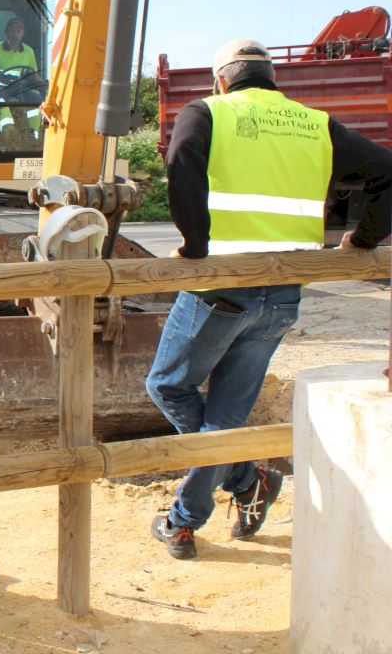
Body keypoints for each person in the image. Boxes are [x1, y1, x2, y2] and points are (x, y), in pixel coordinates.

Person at [147, 38, 392, 560]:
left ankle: (240, 478)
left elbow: (182, 159)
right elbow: (387, 171)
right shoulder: (314, 124)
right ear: (272, 79)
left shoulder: (207, 112)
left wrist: (193, 245)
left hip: (220, 287)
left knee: (167, 385)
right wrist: (365, 239)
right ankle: (195, 513)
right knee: (225, 417)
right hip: (283, 292)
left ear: (221, 80)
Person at [0, 17, 40, 141]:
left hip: (19, 89)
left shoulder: (29, 51)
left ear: (23, 33)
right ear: (6, 33)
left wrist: (46, 86)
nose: (15, 34)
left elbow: (33, 74)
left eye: (18, 31)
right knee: (0, 102)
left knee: (37, 100)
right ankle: (8, 134)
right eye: (12, 31)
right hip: (0, 88)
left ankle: (34, 136)